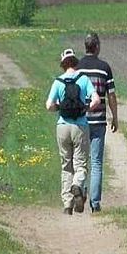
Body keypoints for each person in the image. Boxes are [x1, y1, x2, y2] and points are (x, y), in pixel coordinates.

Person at [46, 48, 100, 215]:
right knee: (81, 164)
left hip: (62, 126)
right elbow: (96, 99)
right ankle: (77, 184)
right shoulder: (83, 79)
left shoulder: (58, 82)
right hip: (80, 126)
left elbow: (48, 105)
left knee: (66, 165)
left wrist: (59, 107)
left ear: (63, 64)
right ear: (75, 63)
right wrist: (86, 108)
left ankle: (67, 205)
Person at [77, 32, 118, 213]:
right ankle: (95, 203)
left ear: (86, 47)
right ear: (97, 47)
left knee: (80, 161)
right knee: (96, 163)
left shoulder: (77, 68)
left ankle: (77, 192)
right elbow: (111, 95)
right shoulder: (104, 68)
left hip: (80, 121)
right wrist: (115, 117)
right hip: (99, 121)